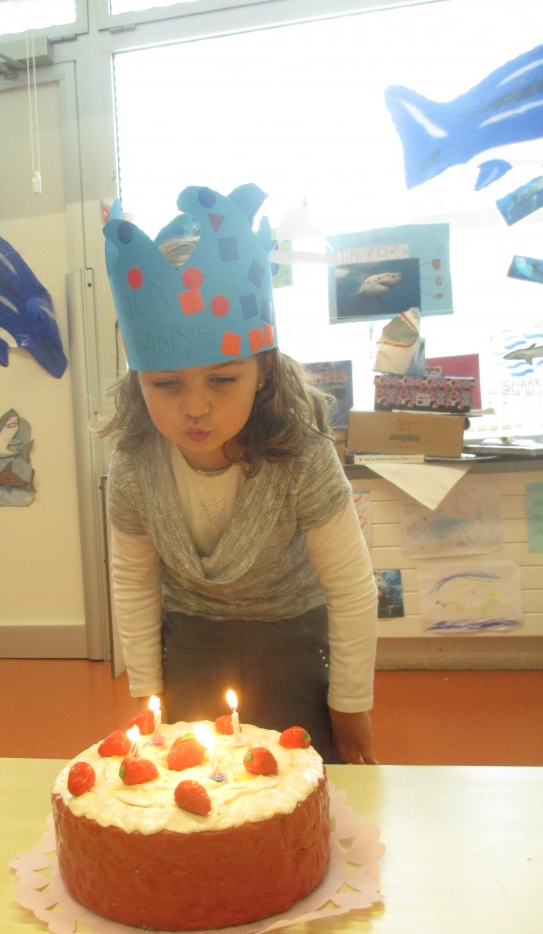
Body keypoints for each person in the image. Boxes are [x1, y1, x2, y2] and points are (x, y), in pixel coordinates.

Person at [100, 184, 378, 764]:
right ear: (138, 381)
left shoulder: (302, 457)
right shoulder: (132, 468)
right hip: (191, 643)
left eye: (223, 380)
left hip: (292, 641)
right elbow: (132, 583)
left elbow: (351, 589)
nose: (195, 407)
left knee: (299, 782)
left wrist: (351, 712)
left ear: (263, 370)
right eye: (166, 384)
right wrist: (147, 697)